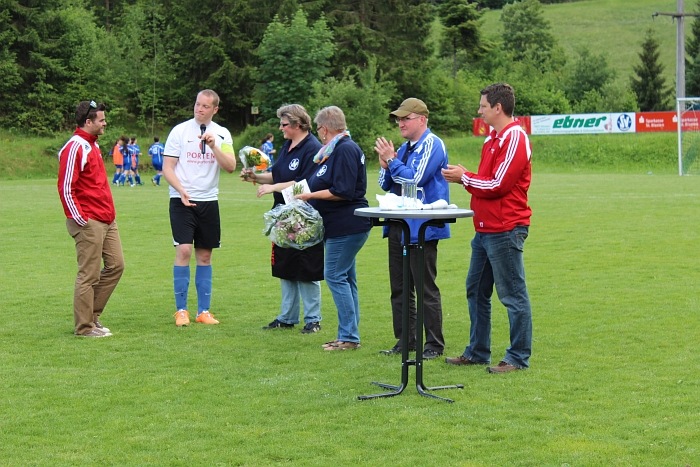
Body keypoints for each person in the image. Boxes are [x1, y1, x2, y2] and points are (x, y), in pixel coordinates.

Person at [442, 83, 533, 374]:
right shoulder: (492, 139)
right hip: (485, 229)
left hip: (505, 228)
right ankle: (478, 351)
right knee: (476, 290)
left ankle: (517, 357)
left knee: (513, 295)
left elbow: (497, 184)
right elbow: (487, 180)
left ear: (498, 107)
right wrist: (467, 177)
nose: (479, 111)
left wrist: (464, 177)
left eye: (483, 106)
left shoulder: (515, 137)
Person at [374, 97, 450, 360]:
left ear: (422, 119)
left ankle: (434, 344)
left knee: (425, 286)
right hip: (398, 224)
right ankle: (406, 340)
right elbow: (386, 184)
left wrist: (392, 161)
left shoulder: (432, 144)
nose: (400, 123)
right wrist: (386, 164)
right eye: (399, 119)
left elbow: (415, 179)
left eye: (406, 118)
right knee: (400, 287)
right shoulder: (404, 149)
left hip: (422, 226)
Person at [242, 105, 324, 334]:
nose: (281, 128)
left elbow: (303, 183)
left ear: (298, 124)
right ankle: (287, 317)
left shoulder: (312, 148)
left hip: (305, 218)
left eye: (284, 124)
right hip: (283, 216)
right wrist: (256, 177)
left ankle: (313, 320)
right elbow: (277, 175)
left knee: (307, 268)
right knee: (285, 266)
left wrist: (273, 187)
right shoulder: (288, 146)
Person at [296, 106, 372, 351]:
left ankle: (349, 337)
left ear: (325, 129)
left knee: (335, 276)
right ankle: (350, 334)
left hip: (347, 224)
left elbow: (343, 190)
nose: (318, 133)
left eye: (318, 128)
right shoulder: (332, 151)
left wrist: (310, 196)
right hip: (339, 225)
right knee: (346, 278)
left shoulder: (345, 149)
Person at [162, 89, 236, 327]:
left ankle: (203, 311)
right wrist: (181, 190)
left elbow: (231, 166)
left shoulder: (222, 133)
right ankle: (181, 310)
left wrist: (214, 146)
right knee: (184, 250)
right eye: (197, 104)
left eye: (205, 106)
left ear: (215, 109)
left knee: (204, 256)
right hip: (181, 200)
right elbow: (167, 167)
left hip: (209, 201)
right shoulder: (180, 131)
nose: (199, 109)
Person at [57, 100, 125, 337]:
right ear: (88, 122)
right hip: (89, 220)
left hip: (107, 219)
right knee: (89, 274)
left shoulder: (92, 145)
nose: (105, 123)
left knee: (116, 265)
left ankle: (92, 316)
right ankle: (84, 327)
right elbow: (66, 187)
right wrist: (81, 219)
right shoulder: (75, 147)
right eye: (101, 120)